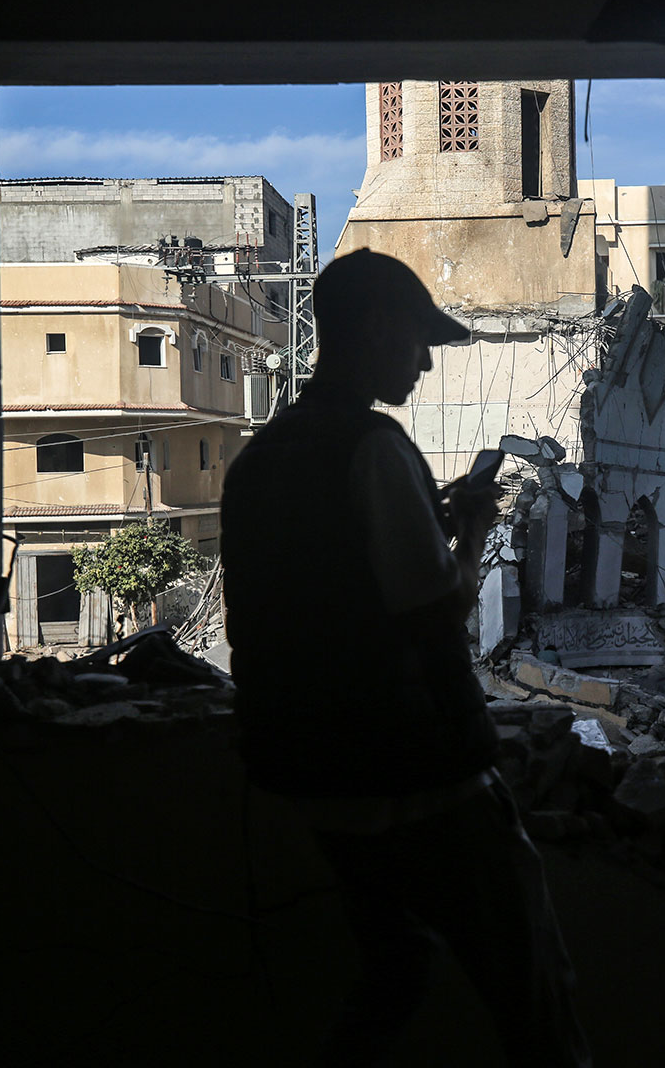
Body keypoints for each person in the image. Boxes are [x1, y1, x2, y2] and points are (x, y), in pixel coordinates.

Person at [219, 248, 591, 1067]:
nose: (424, 362)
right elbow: (438, 611)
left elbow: (327, 587)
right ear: (379, 328)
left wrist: (432, 521)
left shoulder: (259, 459)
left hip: (314, 779)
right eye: (418, 340)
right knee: (530, 986)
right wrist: (474, 533)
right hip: (416, 774)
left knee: (392, 972)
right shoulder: (375, 447)